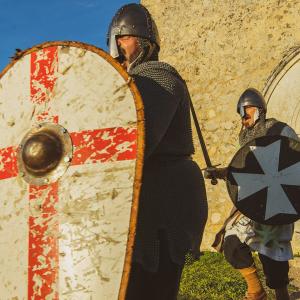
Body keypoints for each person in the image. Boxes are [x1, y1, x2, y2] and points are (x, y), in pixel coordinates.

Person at [107, 3, 208, 300]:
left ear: (145, 42)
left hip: (165, 202)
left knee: (150, 290)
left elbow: (138, 140)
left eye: (124, 37)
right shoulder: (134, 83)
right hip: (152, 201)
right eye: (117, 39)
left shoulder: (156, 77)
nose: (118, 46)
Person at [205, 88, 298, 300]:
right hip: (252, 202)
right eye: (241, 113)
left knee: (273, 261)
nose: (243, 118)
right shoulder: (246, 138)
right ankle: (256, 292)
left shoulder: (281, 130)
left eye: (246, 111)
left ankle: (282, 295)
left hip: (276, 202)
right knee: (231, 242)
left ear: (259, 110)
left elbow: (295, 163)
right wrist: (219, 172)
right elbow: (243, 169)